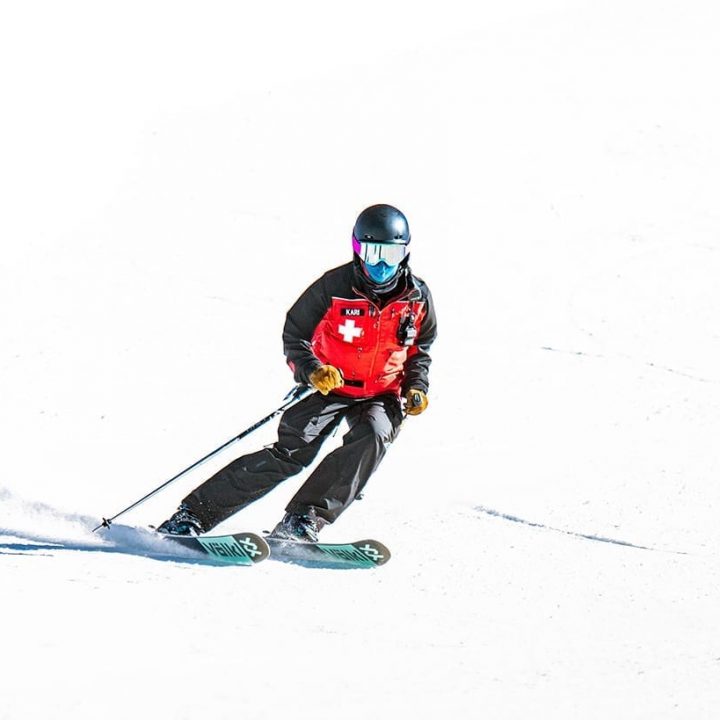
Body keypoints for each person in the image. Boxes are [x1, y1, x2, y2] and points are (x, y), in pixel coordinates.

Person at [157, 204, 438, 541]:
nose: (380, 264)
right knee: (292, 452)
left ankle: (303, 520)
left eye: (391, 254)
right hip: (328, 388)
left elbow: (420, 347)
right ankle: (193, 515)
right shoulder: (333, 287)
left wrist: (416, 386)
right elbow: (295, 335)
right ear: (356, 250)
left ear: (405, 253)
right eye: (373, 252)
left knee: (374, 436)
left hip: (381, 393)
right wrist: (313, 371)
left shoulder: (417, 296)